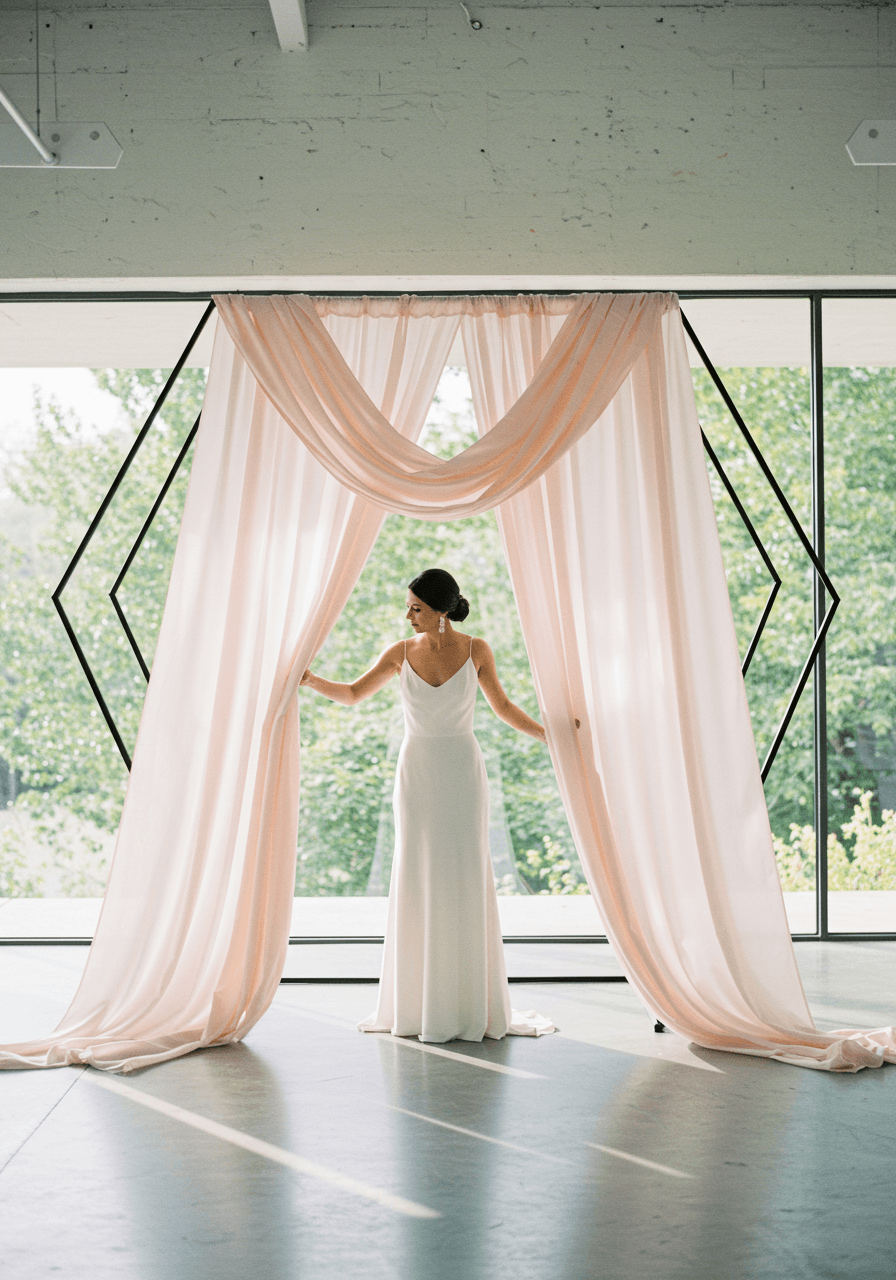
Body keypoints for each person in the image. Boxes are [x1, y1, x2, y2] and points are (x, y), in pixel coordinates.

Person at [300, 568, 554, 1043]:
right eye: (409, 607)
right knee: (417, 872)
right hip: (417, 772)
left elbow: (501, 707)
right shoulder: (399, 652)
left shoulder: (477, 649)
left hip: (461, 770)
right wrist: (310, 680)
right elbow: (355, 694)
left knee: (463, 873)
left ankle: (465, 1002)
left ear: (441, 610)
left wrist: (549, 735)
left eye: (416, 607)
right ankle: (418, 1004)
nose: (408, 615)